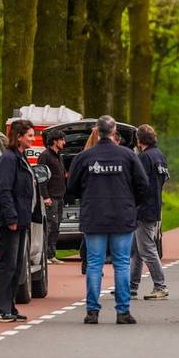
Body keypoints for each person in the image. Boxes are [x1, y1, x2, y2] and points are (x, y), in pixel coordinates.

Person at [66, 115, 149, 325]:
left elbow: (72, 188)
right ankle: (123, 312)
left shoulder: (84, 157)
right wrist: (131, 203)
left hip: (94, 216)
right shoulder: (128, 155)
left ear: (96, 132)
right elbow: (143, 185)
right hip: (122, 216)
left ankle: (92, 311)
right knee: (121, 263)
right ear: (114, 133)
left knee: (94, 263)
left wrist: (87, 196)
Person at [0, 119, 38, 323]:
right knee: (7, 263)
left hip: (21, 218)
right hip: (10, 220)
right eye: (30, 135)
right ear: (19, 137)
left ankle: (9, 306)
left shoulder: (19, 158)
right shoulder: (8, 160)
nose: (32, 139)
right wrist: (11, 217)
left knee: (16, 264)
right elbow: (4, 191)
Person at [131, 124, 169, 300]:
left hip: (144, 209)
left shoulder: (145, 158)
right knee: (136, 250)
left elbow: (139, 183)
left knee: (146, 249)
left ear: (139, 140)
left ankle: (160, 286)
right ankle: (131, 286)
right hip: (155, 206)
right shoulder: (159, 156)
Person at [37, 129, 68, 264]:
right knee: (50, 225)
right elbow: (41, 177)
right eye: (62, 140)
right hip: (50, 197)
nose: (64, 143)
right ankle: (44, 255)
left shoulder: (59, 156)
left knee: (57, 225)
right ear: (55, 141)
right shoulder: (45, 156)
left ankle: (51, 254)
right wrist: (45, 196)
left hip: (60, 197)